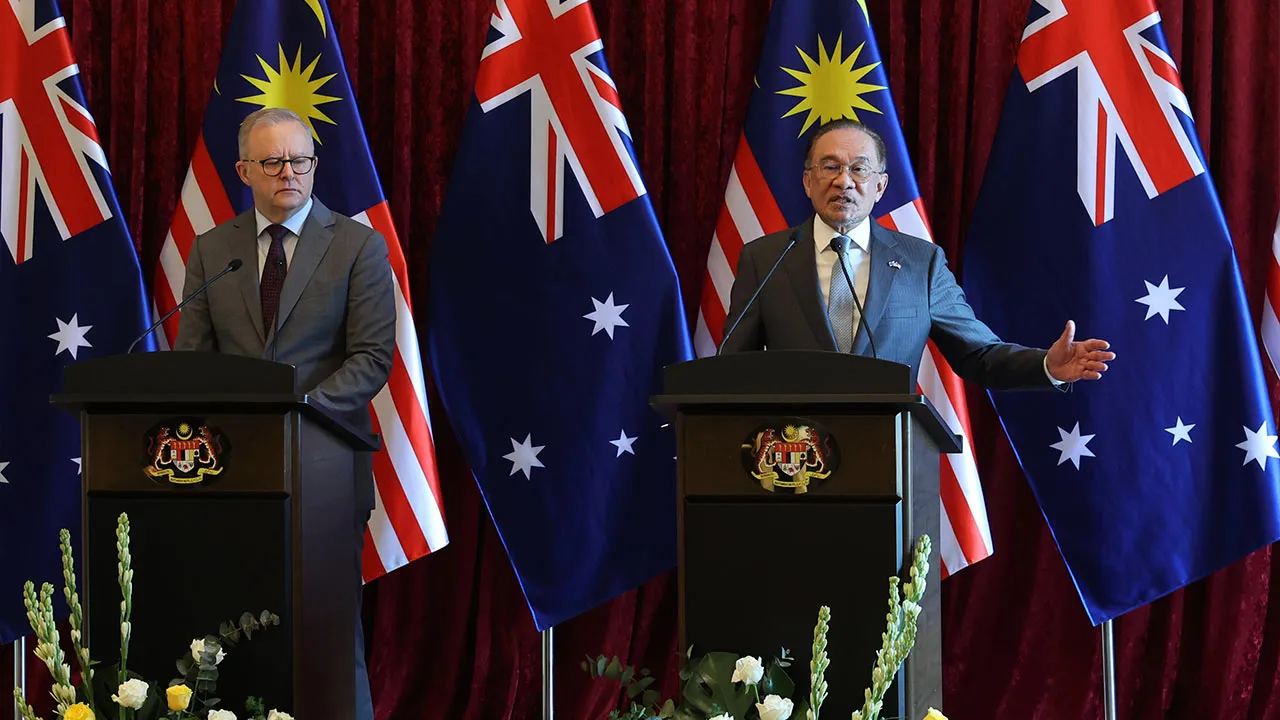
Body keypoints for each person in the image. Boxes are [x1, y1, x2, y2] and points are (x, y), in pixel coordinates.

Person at [174, 106, 393, 720]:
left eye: (300, 161)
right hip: (231, 477)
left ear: (315, 165)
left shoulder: (357, 246)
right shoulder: (214, 248)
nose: (288, 173)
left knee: (326, 629)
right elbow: (194, 361)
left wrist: (294, 415)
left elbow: (372, 358)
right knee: (229, 624)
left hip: (324, 472)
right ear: (245, 170)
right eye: (272, 162)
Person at [720, 118, 1114, 388]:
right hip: (792, 460)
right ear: (808, 182)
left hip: (887, 457)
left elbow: (978, 353)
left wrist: (1047, 365)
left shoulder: (920, 263)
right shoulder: (764, 258)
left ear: (880, 186)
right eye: (829, 167)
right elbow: (734, 368)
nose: (844, 181)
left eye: (860, 169)